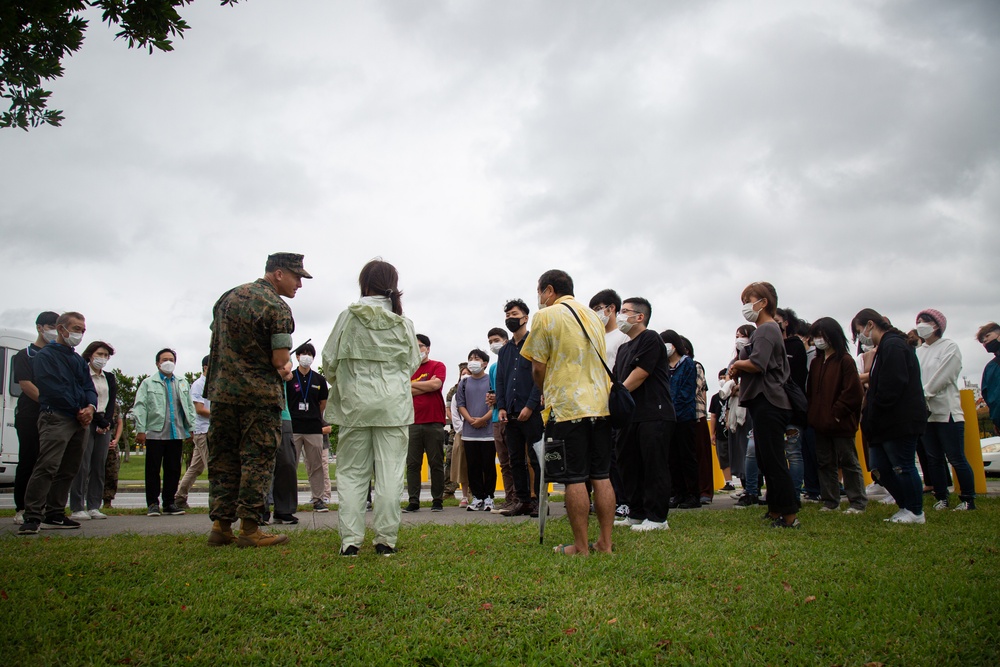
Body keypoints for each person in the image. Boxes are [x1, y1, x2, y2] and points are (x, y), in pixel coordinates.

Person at [205, 252, 308, 547]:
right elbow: (279, 359)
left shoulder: (227, 298)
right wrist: (286, 371)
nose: (299, 283)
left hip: (222, 394)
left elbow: (218, 339)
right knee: (257, 460)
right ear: (277, 273)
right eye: (296, 276)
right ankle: (250, 529)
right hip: (259, 397)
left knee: (223, 459)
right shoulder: (277, 307)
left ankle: (220, 526)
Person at [322, 259, 421, 556]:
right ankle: (385, 541)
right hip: (393, 406)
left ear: (364, 283)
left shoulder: (348, 317)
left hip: (356, 405)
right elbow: (413, 363)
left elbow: (328, 360)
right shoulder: (403, 323)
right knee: (390, 473)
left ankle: (350, 541)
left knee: (352, 474)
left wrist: (346, 380)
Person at [521, 269, 613, 555]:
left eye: (539, 292)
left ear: (549, 290)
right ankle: (606, 544)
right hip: (601, 404)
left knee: (574, 477)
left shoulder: (546, 316)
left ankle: (582, 547)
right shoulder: (594, 318)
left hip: (568, 405)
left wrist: (544, 389)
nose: (539, 298)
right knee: (601, 475)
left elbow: (537, 366)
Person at [18, 312, 97, 535]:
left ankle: (55, 512)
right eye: (75, 328)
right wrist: (77, 409)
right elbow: (52, 388)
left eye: (82, 329)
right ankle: (32, 515)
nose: (79, 333)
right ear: (61, 329)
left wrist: (90, 407)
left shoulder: (78, 360)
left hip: (79, 420)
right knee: (47, 465)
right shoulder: (45, 356)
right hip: (57, 416)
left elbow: (88, 387)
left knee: (69, 468)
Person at [728, 282, 799, 529]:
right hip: (763, 402)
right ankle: (776, 508)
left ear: (763, 303)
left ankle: (789, 514)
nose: (746, 307)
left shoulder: (767, 330)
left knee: (774, 459)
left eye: (749, 300)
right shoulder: (764, 331)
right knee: (765, 458)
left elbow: (758, 363)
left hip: (770, 401)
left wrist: (737, 366)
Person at [854, 308, 927, 523]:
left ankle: (915, 510)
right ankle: (905, 504)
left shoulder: (894, 345)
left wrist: (877, 408)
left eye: (859, 330)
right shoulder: (884, 347)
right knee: (880, 466)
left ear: (870, 324)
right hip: (882, 421)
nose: (861, 336)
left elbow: (893, 384)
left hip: (898, 418)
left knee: (902, 465)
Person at [612, 297, 675, 531]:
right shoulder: (623, 347)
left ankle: (658, 518)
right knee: (629, 464)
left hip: (654, 413)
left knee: (653, 465)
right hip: (631, 416)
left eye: (625, 311)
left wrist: (617, 394)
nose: (620, 315)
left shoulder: (651, 338)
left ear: (640, 317)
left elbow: (640, 373)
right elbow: (616, 378)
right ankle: (636, 513)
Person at [914, 309, 976, 511]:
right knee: (933, 459)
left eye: (926, 321)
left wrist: (924, 393)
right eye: (919, 321)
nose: (921, 324)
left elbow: (945, 375)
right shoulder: (919, 351)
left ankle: (968, 499)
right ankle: (941, 497)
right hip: (926, 414)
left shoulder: (950, 347)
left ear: (937, 325)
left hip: (947, 412)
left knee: (956, 458)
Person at [806, 318, 866, 513]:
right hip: (820, 423)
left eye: (821, 335)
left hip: (841, 424)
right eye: (815, 336)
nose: (818, 340)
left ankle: (857, 501)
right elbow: (811, 392)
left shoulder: (845, 360)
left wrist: (837, 414)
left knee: (848, 462)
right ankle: (830, 501)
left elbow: (853, 392)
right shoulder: (816, 363)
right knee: (824, 463)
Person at [495, 299, 544, 517]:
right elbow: (502, 381)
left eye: (513, 314)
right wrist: (502, 406)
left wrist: (531, 405)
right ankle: (522, 500)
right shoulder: (505, 351)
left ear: (525, 317)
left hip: (531, 412)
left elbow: (540, 377)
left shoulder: (535, 342)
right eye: (506, 316)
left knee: (535, 458)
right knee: (515, 459)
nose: (510, 319)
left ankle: (539, 501)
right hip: (511, 412)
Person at [133, 349, 195, 517]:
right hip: (155, 432)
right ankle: (153, 503)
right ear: (157, 363)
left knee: (173, 469)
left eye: (171, 359)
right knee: (153, 469)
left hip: (176, 433)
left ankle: (169, 502)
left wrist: (191, 428)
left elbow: (189, 406)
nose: (168, 362)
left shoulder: (182, 382)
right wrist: (140, 429)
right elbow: (140, 406)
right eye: (164, 359)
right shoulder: (148, 383)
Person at [12, 311, 59, 525]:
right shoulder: (25, 355)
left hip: (56, 417)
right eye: (51, 326)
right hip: (31, 414)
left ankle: (48, 508)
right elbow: (26, 384)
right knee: (29, 460)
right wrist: (49, 401)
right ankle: (22, 507)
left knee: (50, 463)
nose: (54, 331)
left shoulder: (60, 356)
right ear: (40, 327)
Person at [589, 289, 631, 519]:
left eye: (598, 308)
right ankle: (609, 499)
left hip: (616, 400)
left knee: (619, 454)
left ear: (611, 308)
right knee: (604, 455)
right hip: (596, 402)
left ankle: (624, 500)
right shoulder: (595, 336)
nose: (596, 314)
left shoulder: (623, 337)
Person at [69, 341, 117, 521]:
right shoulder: (82, 375)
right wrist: (98, 419)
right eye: (99, 354)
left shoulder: (109, 377)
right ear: (90, 355)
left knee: (99, 465)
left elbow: (111, 401)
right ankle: (77, 506)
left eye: (106, 355)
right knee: (83, 464)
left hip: (104, 423)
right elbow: (83, 397)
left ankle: (94, 505)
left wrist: (107, 422)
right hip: (87, 420)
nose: (102, 358)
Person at [285, 342, 331, 513]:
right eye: (302, 353)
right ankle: (288, 502)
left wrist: (313, 416)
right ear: (297, 357)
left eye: (309, 354)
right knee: (290, 465)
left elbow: (322, 403)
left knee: (316, 465)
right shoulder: (290, 377)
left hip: (313, 428)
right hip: (294, 427)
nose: (306, 356)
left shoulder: (319, 379)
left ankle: (318, 499)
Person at [404, 334, 447, 512]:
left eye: (421, 346)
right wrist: (425, 385)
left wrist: (412, 386)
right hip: (412, 422)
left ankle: (437, 499)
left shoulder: (438, 365)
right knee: (413, 464)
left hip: (433, 421)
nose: (418, 349)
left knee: (436, 462)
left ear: (428, 348)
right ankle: (414, 500)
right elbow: (401, 391)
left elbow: (435, 385)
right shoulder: (406, 370)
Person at [661, 330, 700, 510]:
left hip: (684, 417)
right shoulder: (663, 366)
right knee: (672, 458)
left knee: (687, 456)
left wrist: (673, 408)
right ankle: (678, 493)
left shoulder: (688, 364)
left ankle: (693, 494)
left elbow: (686, 392)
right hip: (668, 418)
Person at [457, 349, 497, 511]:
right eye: (471, 358)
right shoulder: (464, 383)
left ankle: (489, 497)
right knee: (473, 466)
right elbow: (460, 404)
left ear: (485, 363)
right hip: (469, 432)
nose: (473, 361)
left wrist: (483, 419)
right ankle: (477, 497)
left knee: (488, 465)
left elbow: (495, 403)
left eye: (477, 358)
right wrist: (471, 420)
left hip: (488, 432)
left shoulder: (490, 381)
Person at [774, 308, 807, 497]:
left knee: (793, 452)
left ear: (786, 322)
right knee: (777, 453)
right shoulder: (770, 344)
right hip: (775, 407)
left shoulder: (796, 346)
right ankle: (779, 492)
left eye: (777, 321)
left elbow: (798, 378)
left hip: (793, 408)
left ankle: (794, 493)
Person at [174, 355, 211, 510]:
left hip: (208, 429)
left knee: (196, 467)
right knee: (214, 467)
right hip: (204, 431)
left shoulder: (212, 384)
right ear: (205, 367)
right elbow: (199, 409)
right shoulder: (198, 385)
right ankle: (219, 503)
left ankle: (180, 497)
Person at [682, 336, 714, 505]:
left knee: (701, 456)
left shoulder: (696, 366)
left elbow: (696, 390)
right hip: (680, 418)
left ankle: (705, 491)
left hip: (696, 416)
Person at [486, 327, 515, 512]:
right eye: (489, 341)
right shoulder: (493, 367)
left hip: (511, 417)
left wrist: (500, 398)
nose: (492, 344)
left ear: (505, 341)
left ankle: (524, 496)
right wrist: (491, 399)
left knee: (517, 460)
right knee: (504, 462)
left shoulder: (513, 362)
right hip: (496, 418)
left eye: (496, 340)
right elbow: (492, 392)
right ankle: (509, 497)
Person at [447, 363, 472, 507]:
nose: (466, 376)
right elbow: (454, 415)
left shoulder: (482, 390)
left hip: (478, 432)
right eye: (463, 373)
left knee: (477, 465)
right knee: (462, 465)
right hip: (461, 434)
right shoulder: (455, 394)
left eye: (468, 373)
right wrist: (462, 429)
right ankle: (464, 496)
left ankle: (478, 494)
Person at [709, 368, 734, 491]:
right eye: (721, 378)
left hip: (734, 431)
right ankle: (729, 482)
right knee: (723, 457)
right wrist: (712, 433)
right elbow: (713, 416)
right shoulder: (715, 398)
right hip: (720, 432)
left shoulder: (734, 395)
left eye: (725, 377)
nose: (723, 380)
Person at [977, 322, 1000, 434]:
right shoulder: (990, 368)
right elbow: (987, 396)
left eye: (987, 336)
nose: (985, 341)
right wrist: (995, 420)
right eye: (982, 340)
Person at [101, 405, 123, 509]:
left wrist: (116, 440)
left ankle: (107, 501)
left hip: (112, 444)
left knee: (112, 473)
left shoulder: (115, 406)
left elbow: (119, 423)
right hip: (97, 441)